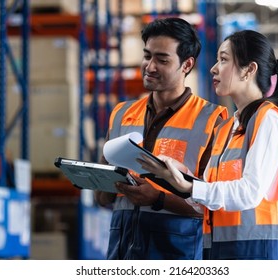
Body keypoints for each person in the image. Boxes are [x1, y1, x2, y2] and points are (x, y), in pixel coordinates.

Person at [136, 30, 278, 260]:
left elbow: (250, 192)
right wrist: (181, 178)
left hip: (261, 253)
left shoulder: (269, 119)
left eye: (223, 59)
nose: (214, 68)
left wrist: (191, 187)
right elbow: (211, 200)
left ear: (249, 70)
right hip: (221, 252)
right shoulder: (226, 129)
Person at [94, 17, 228, 260]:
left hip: (177, 252)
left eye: (162, 60)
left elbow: (214, 205)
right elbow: (102, 198)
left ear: (187, 65)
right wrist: (101, 179)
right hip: (122, 249)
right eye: (147, 56)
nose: (150, 66)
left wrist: (158, 199)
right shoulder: (121, 113)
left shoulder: (212, 120)